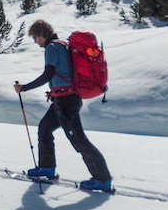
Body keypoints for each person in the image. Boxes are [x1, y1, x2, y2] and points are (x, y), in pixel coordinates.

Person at [14, 20, 112, 192]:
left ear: (42, 34)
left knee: (80, 141)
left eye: (35, 38)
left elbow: (48, 74)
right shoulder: (63, 45)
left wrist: (24, 88)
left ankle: (102, 179)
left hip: (66, 102)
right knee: (45, 128)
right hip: (65, 99)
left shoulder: (52, 48)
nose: (35, 42)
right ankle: (46, 168)